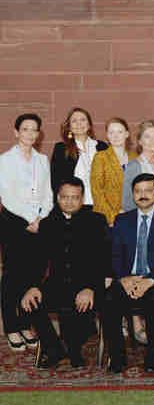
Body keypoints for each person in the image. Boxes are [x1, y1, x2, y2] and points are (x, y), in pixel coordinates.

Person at [20, 177, 109, 368]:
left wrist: (90, 288)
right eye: (64, 197)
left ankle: (74, 350)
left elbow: (103, 260)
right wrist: (33, 286)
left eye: (74, 197)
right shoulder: (47, 224)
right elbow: (39, 261)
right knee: (29, 302)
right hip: (57, 283)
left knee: (74, 307)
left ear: (82, 198)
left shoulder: (96, 221)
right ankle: (54, 349)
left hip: (88, 285)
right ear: (57, 197)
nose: (69, 201)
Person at [105, 173, 154, 373]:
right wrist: (124, 279)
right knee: (109, 299)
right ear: (132, 195)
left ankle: (152, 355)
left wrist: (150, 280)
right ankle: (117, 357)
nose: (143, 195)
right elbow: (115, 255)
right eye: (138, 191)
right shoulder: (122, 220)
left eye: (148, 190)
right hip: (128, 278)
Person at [0, 114, 53, 351]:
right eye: (25, 129)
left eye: (34, 130)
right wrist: (30, 218)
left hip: (40, 223)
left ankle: (25, 323)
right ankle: (11, 326)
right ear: (16, 132)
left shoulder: (42, 159)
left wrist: (42, 216)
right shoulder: (5, 160)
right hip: (14, 222)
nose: (30, 134)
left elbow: (48, 193)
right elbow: (7, 196)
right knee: (13, 274)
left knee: (33, 275)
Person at [51, 107, 108, 207]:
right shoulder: (61, 149)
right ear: (69, 127)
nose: (79, 124)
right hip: (73, 206)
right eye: (74, 121)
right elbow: (56, 181)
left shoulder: (102, 147)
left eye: (83, 120)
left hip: (100, 206)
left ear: (89, 124)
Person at [92, 118, 136, 226]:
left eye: (119, 132)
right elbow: (97, 191)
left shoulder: (135, 157)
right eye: (111, 132)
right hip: (108, 219)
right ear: (107, 135)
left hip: (132, 216)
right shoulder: (100, 157)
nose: (115, 136)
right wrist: (112, 216)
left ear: (127, 134)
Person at [122, 121, 154, 212]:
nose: (152, 140)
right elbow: (127, 201)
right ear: (140, 141)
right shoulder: (133, 166)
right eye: (147, 137)